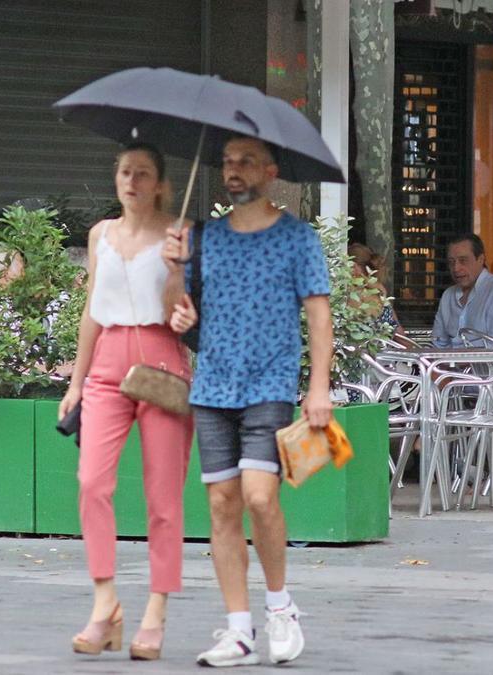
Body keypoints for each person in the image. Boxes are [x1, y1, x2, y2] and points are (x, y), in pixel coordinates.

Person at [161, 133, 332, 667]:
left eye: (245, 163)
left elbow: (319, 314)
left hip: (270, 384)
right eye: (228, 162)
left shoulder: (297, 239)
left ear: (269, 170)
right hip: (212, 385)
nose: (232, 171)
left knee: (260, 497)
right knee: (220, 504)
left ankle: (280, 607)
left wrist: (319, 385)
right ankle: (238, 629)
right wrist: (173, 272)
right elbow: (180, 313)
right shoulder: (205, 238)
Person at [58, 143, 193, 661]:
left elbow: (178, 313)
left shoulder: (178, 235)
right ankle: (104, 604)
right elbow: (92, 310)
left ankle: (155, 611)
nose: (131, 181)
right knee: (92, 481)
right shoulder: (100, 236)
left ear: (161, 184)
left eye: (142, 174)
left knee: (163, 495)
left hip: (161, 358)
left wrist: (177, 268)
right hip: (108, 361)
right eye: (123, 172)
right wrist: (76, 381)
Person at [432, 233, 493, 347]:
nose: (456, 268)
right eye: (451, 262)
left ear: (480, 259)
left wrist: (457, 363)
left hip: (487, 363)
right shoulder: (448, 296)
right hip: (446, 363)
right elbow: (438, 344)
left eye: (463, 260)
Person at [348, 241, 403, 335]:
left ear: (353, 267)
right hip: (385, 347)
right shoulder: (380, 292)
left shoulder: (351, 294)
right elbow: (399, 333)